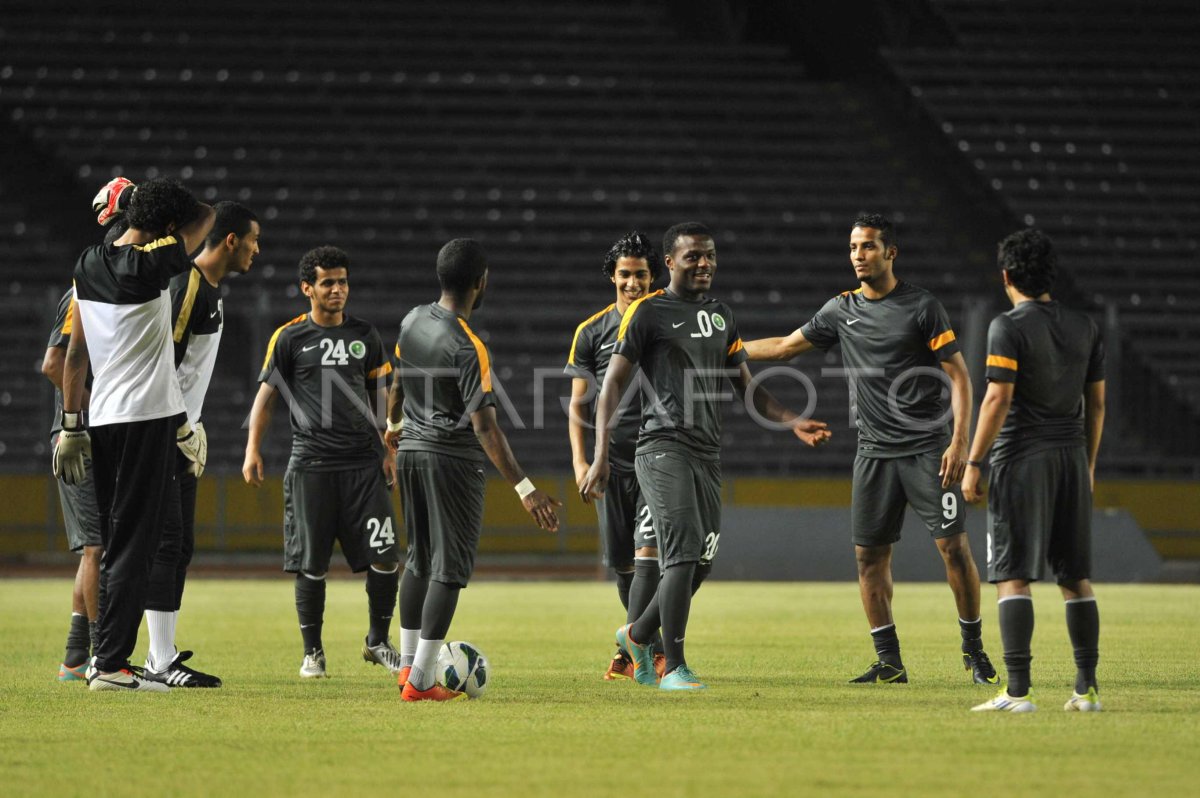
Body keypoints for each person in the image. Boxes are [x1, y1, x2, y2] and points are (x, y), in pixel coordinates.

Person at [743, 212, 998, 686]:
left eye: (868, 247)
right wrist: (721, 344)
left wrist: (960, 440)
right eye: (854, 248)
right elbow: (781, 348)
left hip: (927, 450)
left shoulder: (922, 306)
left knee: (953, 548)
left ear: (890, 252)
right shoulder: (840, 310)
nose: (859, 256)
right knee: (869, 558)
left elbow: (960, 376)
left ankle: (974, 650)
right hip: (874, 455)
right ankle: (889, 662)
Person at [580, 222, 831, 691]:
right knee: (680, 553)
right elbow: (611, 385)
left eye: (710, 256)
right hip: (661, 447)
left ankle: (635, 635)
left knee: (701, 560)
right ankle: (672, 665)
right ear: (670, 263)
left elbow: (746, 387)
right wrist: (597, 456)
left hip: (706, 451)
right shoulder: (648, 313)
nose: (704, 264)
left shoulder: (721, 316)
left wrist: (791, 419)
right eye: (693, 256)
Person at [54, 177, 215, 692]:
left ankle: (106, 658)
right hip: (146, 420)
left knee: (111, 539)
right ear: (166, 226)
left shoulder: (87, 262)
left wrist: (72, 425)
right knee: (135, 545)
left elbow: (75, 355)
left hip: (100, 419)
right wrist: (137, 200)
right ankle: (113, 666)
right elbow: (207, 215)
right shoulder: (156, 263)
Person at [385, 238, 561, 702]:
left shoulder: (412, 319)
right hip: (450, 460)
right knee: (448, 568)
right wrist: (526, 488)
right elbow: (485, 427)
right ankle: (421, 683)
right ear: (481, 283)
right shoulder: (468, 345)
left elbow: (398, 378)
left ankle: (406, 668)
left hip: (412, 452)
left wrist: (393, 423)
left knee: (419, 558)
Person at [243, 246, 402, 681]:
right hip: (311, 464)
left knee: (386, 556)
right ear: (307, 288)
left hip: (364, 466)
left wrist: (388, 450)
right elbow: (266, 398)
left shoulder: (366, 335)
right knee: (311, 564)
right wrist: (252, 449)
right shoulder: (289, 338)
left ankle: (377, 641)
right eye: (328, 282)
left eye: (343, 281)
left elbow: (381, 397)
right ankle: (313, 652)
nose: (337, 289)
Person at [963, 229, 1105, 713]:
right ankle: (1086, 690)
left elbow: (998, 398)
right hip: (1071, 458)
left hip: (1022, 458)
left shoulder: (1008, 326)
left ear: (1006, 275)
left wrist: (974, 461)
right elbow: (1097, 403)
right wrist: (1086, 465)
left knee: (1012, 575)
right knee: (1075, 576)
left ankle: (1018, 692)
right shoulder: (1085, 326)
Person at [139, 200, 260, 688]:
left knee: (178, 544)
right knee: (163, 543)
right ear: (230, 240)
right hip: (161, 434)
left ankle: (158, 658)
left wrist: (195, 423)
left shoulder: (209, 290)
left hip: (179, 432)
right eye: (253, 239)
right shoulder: (186, 284)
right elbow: (159, 361)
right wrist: (180, 428)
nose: (256, 249)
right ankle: (153, 661)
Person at [565, 231, 667, 681]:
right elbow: (577, 405)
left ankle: (654, 651)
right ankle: (631, 651)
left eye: (640, 274)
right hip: (611, 463)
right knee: (624, 564)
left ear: (652, 276)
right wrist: (581, 462)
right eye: (624, 274)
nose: (632, 283)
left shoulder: (666, 320)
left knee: (650, 554)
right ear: (612, 276)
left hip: (658, 456)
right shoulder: (591, 331)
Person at [42, 288, 101, 682]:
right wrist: (89, 408)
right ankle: (103, 653)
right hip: (79, 433)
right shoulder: (86, 289)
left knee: (94, 549)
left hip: (94, 432)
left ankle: (76, 657)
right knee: (99, 548)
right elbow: (53, 363)